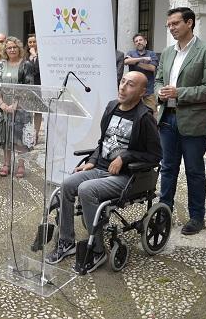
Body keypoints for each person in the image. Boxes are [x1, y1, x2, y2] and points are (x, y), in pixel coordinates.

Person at [45, 71, 162, 273]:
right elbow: (104, 142)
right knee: (67, 185)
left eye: (131, 84)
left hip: (127, 177)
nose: (123, 87)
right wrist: (91, 160)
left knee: (86, 190)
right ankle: (67, 242)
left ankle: (98, 251)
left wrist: (125, 157)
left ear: (143, 92)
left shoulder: (145, 118)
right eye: (122, 81)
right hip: (100, 168)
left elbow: (155, 155)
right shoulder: (111, 107)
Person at [154, 7, 206, 235]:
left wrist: (179, 93)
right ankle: (164, 212)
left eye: (175, 23)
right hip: (167, 120)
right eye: (169, 25)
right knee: (168, 169)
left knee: (194, 170)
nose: (171, 28)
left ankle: (196, 216)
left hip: (193, 121)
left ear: (190, 23)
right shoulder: (167, 52)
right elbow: (158, 80)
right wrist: (159, 93)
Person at [0, 36, 34, 177]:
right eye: (9, 47)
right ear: (5, 50)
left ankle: (21, 165)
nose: (12, 50)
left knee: (19, 137)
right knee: (5, 137)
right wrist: (2, 104)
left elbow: (28, 87)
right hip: (3, 108)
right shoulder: (0, 65)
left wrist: (15, 105)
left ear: (19, 49)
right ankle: (6, 164)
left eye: (14, 47)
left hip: (20, 108)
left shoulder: (26, 65)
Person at [125, 33, 159, 114]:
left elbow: (152, 68)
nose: (138, 42)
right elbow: (126, 61)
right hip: (133, 90)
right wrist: (142, 59)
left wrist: (135, 62)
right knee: (132, 113)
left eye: (140, 40)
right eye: (136, 41)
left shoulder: (152, 54)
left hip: (149, 91)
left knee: (151, 113)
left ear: (145, 42)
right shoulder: (131, 53)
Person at [26, 33, 42, 143]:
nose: (32, 44)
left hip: (38, 86)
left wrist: (35, 55)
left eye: (34, 42)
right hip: (27, 87)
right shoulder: (25, 55)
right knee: (27, 111)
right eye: (30, 42)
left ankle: (35, 134)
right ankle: (27, 133)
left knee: (37, 111)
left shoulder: (41, 55)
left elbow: (37, 70)